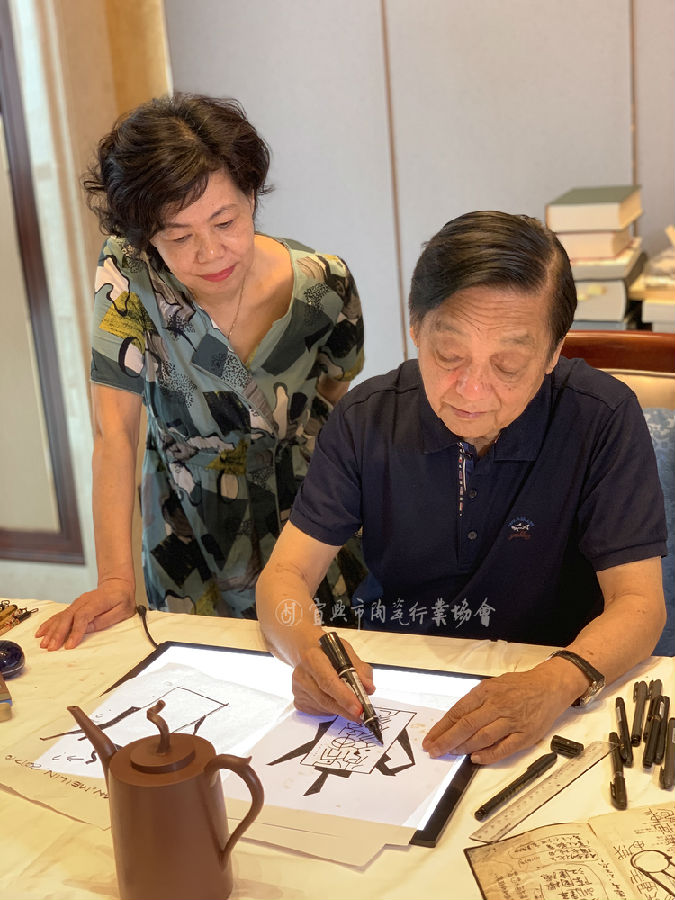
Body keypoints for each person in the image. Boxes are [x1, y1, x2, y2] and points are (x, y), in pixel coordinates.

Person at [255, 210, 667, 765]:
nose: (471, 390)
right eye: (449, 356)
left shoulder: (601, 418)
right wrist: (306, 647)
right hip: (398, 684)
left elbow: (640, 605)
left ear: (553, 352)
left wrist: (555, 682)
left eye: (508, 365)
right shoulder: (366, 419)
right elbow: (283, 577)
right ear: (415, 327)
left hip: (553, 689)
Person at [36, 94, 364, 651]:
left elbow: (337, 395)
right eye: (179, 236)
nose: (210, 253)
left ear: (252, 196)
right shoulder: (130, 278)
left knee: (324, 672)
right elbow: (114, 433)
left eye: (225, 221)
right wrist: (115, 580)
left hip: (308, 523)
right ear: (145, 236)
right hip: (189, 527)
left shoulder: (324, 286)